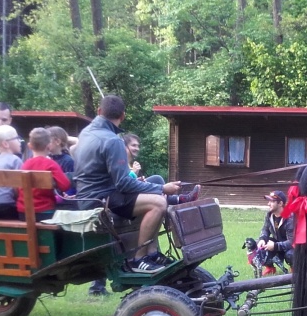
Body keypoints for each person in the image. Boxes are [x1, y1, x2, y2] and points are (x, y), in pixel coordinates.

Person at [73, 94, 182, 273]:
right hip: (100, 199)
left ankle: (152, 253)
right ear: (122, 115)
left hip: (87, 196)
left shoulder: (85, 133)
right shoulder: (113, 140)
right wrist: (162, 188)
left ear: (99, 111)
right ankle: (138, 259)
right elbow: (124, 184)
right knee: (159, 202)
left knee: (155, 197)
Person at [123, 132, 200, 205]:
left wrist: (138, 179)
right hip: (124, 199)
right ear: (125, 147)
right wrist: (133, 173)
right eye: (133, 145)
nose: (137, 148)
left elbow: (130, 182)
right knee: (158, 181)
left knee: (157, 179)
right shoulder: (120, 162)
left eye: (138, 146)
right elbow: (121, 184)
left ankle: (178, 199)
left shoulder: (128, 163)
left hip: (131, 193)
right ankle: (180, 199)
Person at [17, 127, 71, 221]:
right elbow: (65, 186)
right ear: (48, 146)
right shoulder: (51, 164)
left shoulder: (25, 164)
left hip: (23, 212)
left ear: (30, 146)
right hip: (45, 212)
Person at [258, 190, 295, 268]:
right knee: (257, 244)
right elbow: (265, 229)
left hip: (291, 248)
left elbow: (292, 242)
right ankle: (270, 268)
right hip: (277, 243)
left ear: (280, 203)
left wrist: (275, 246)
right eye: (269, 201)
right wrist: (262, 239)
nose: (268, 204)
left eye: (272, 201)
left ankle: (294, 269)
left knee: (291, 255)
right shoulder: (269, 215)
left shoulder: (290, 217)